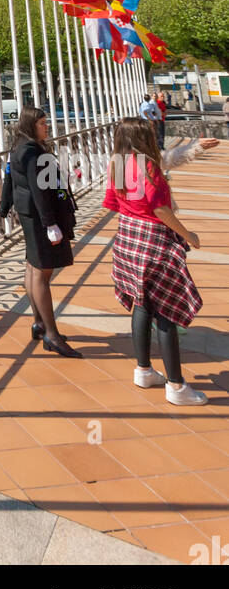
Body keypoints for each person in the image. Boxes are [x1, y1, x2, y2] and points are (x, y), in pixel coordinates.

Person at [103, 117, 206, 406]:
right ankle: (176, 386)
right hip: (154, 240)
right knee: (167, 311)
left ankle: (144, 370)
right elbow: (160, 209)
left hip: (128, 237)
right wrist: (188, 234)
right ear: (142, 137)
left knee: (142, 302)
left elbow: (112, 202)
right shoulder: (148, 167)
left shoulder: (117, 165)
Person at [1, 106, 81, 359]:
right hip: (40, 217)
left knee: (32, 266)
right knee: (42, 273)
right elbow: (39, 189)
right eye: (43, 123)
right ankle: (52, 335)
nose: (47, 127)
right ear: (31, 125)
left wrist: (4, 206)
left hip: (29, 214)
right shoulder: (33, 152)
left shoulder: (18, 148)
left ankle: (39, 323)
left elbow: (9, 180)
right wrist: (50, 224)